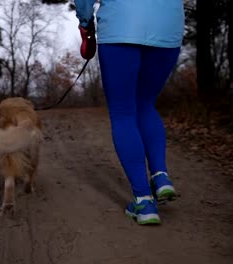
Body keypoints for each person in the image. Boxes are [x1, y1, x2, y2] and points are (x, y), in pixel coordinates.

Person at [74, 0, 185, 225]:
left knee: (123, 110)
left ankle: (144, 202)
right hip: (168, 27)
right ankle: (160, 176)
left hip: (120, 26)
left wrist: (85, 23)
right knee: (145, 104)